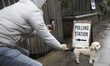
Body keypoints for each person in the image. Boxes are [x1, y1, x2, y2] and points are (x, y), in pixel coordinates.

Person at [0, 0, 68, 66]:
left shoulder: (23, 5)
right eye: (44, 1)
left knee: (25, 53)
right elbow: (46, 37)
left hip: (5, 43)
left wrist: (45, 29)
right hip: (2, 46)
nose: (45, 4)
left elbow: (27, 33)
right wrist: (60, 46)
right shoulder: (33, 11)